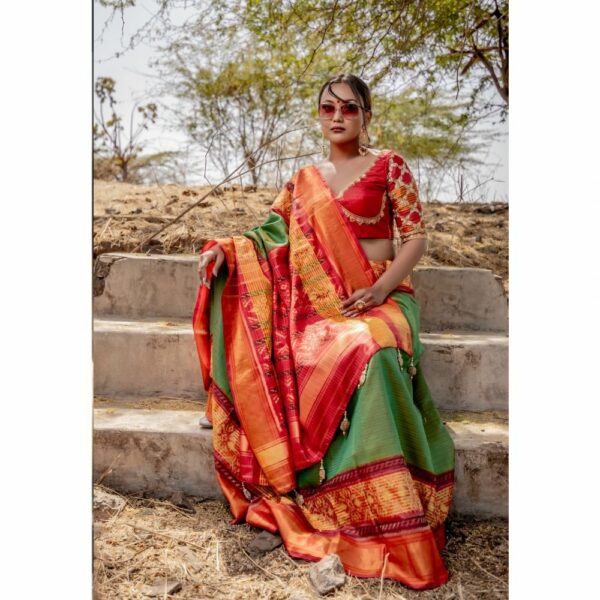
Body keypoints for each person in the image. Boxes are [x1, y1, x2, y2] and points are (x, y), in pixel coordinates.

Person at [193, 74, 455, 590]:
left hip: (383, 295)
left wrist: (380, 290)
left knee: (373, 349)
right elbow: (272, 234)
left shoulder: (389, 165)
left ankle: (389, 504)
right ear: (318, 115)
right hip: (320, 307)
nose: (337, 116)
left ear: (367, 116)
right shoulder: (304, 179)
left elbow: (415, 239)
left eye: (349, 108)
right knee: (327, 347)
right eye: (328, 108)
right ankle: (340, 495)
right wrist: (226, 250)